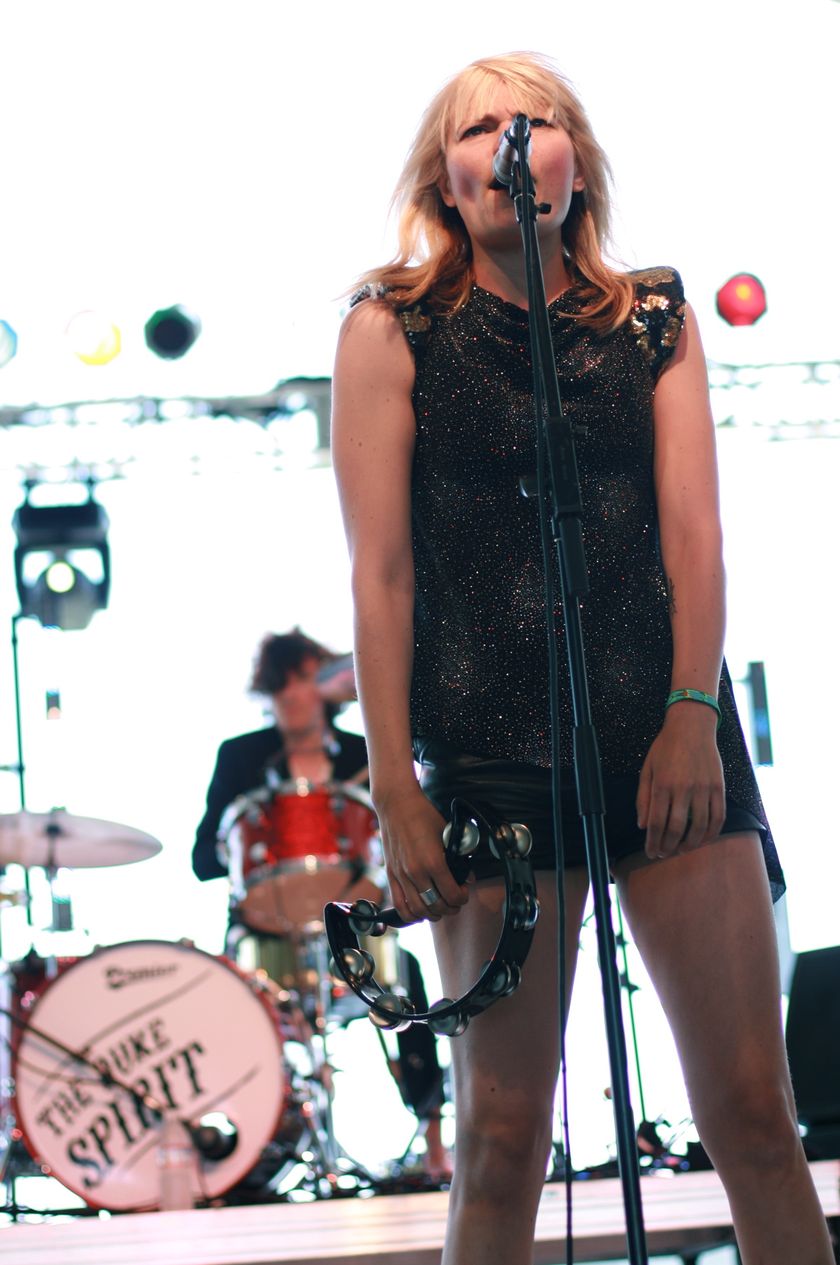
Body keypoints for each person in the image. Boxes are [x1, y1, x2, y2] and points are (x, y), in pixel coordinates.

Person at [330, 51, 833, 1265]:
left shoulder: (651, 314)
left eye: (534, 119)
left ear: (577, 163)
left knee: (754, 1113)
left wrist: (690, 713)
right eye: (478, 128)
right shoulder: (392, 325)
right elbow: (381, 574)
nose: (508, 140)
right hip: (488, 753)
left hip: (664, 734)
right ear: (446, 179)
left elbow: (695, 536)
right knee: (503, 1138)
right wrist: (393, 785)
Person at [192, 629, 451, 1182]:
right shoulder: (240, 757)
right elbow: (202, 860)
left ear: (330, 688)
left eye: (303, 681)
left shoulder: (367, 754)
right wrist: (236, 841)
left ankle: (435, 1143)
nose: (291, 695)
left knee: (407, 977)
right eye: (279, 686)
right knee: (226, 1002)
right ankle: (241, 1152)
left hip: (355, 924)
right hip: (267, 933)